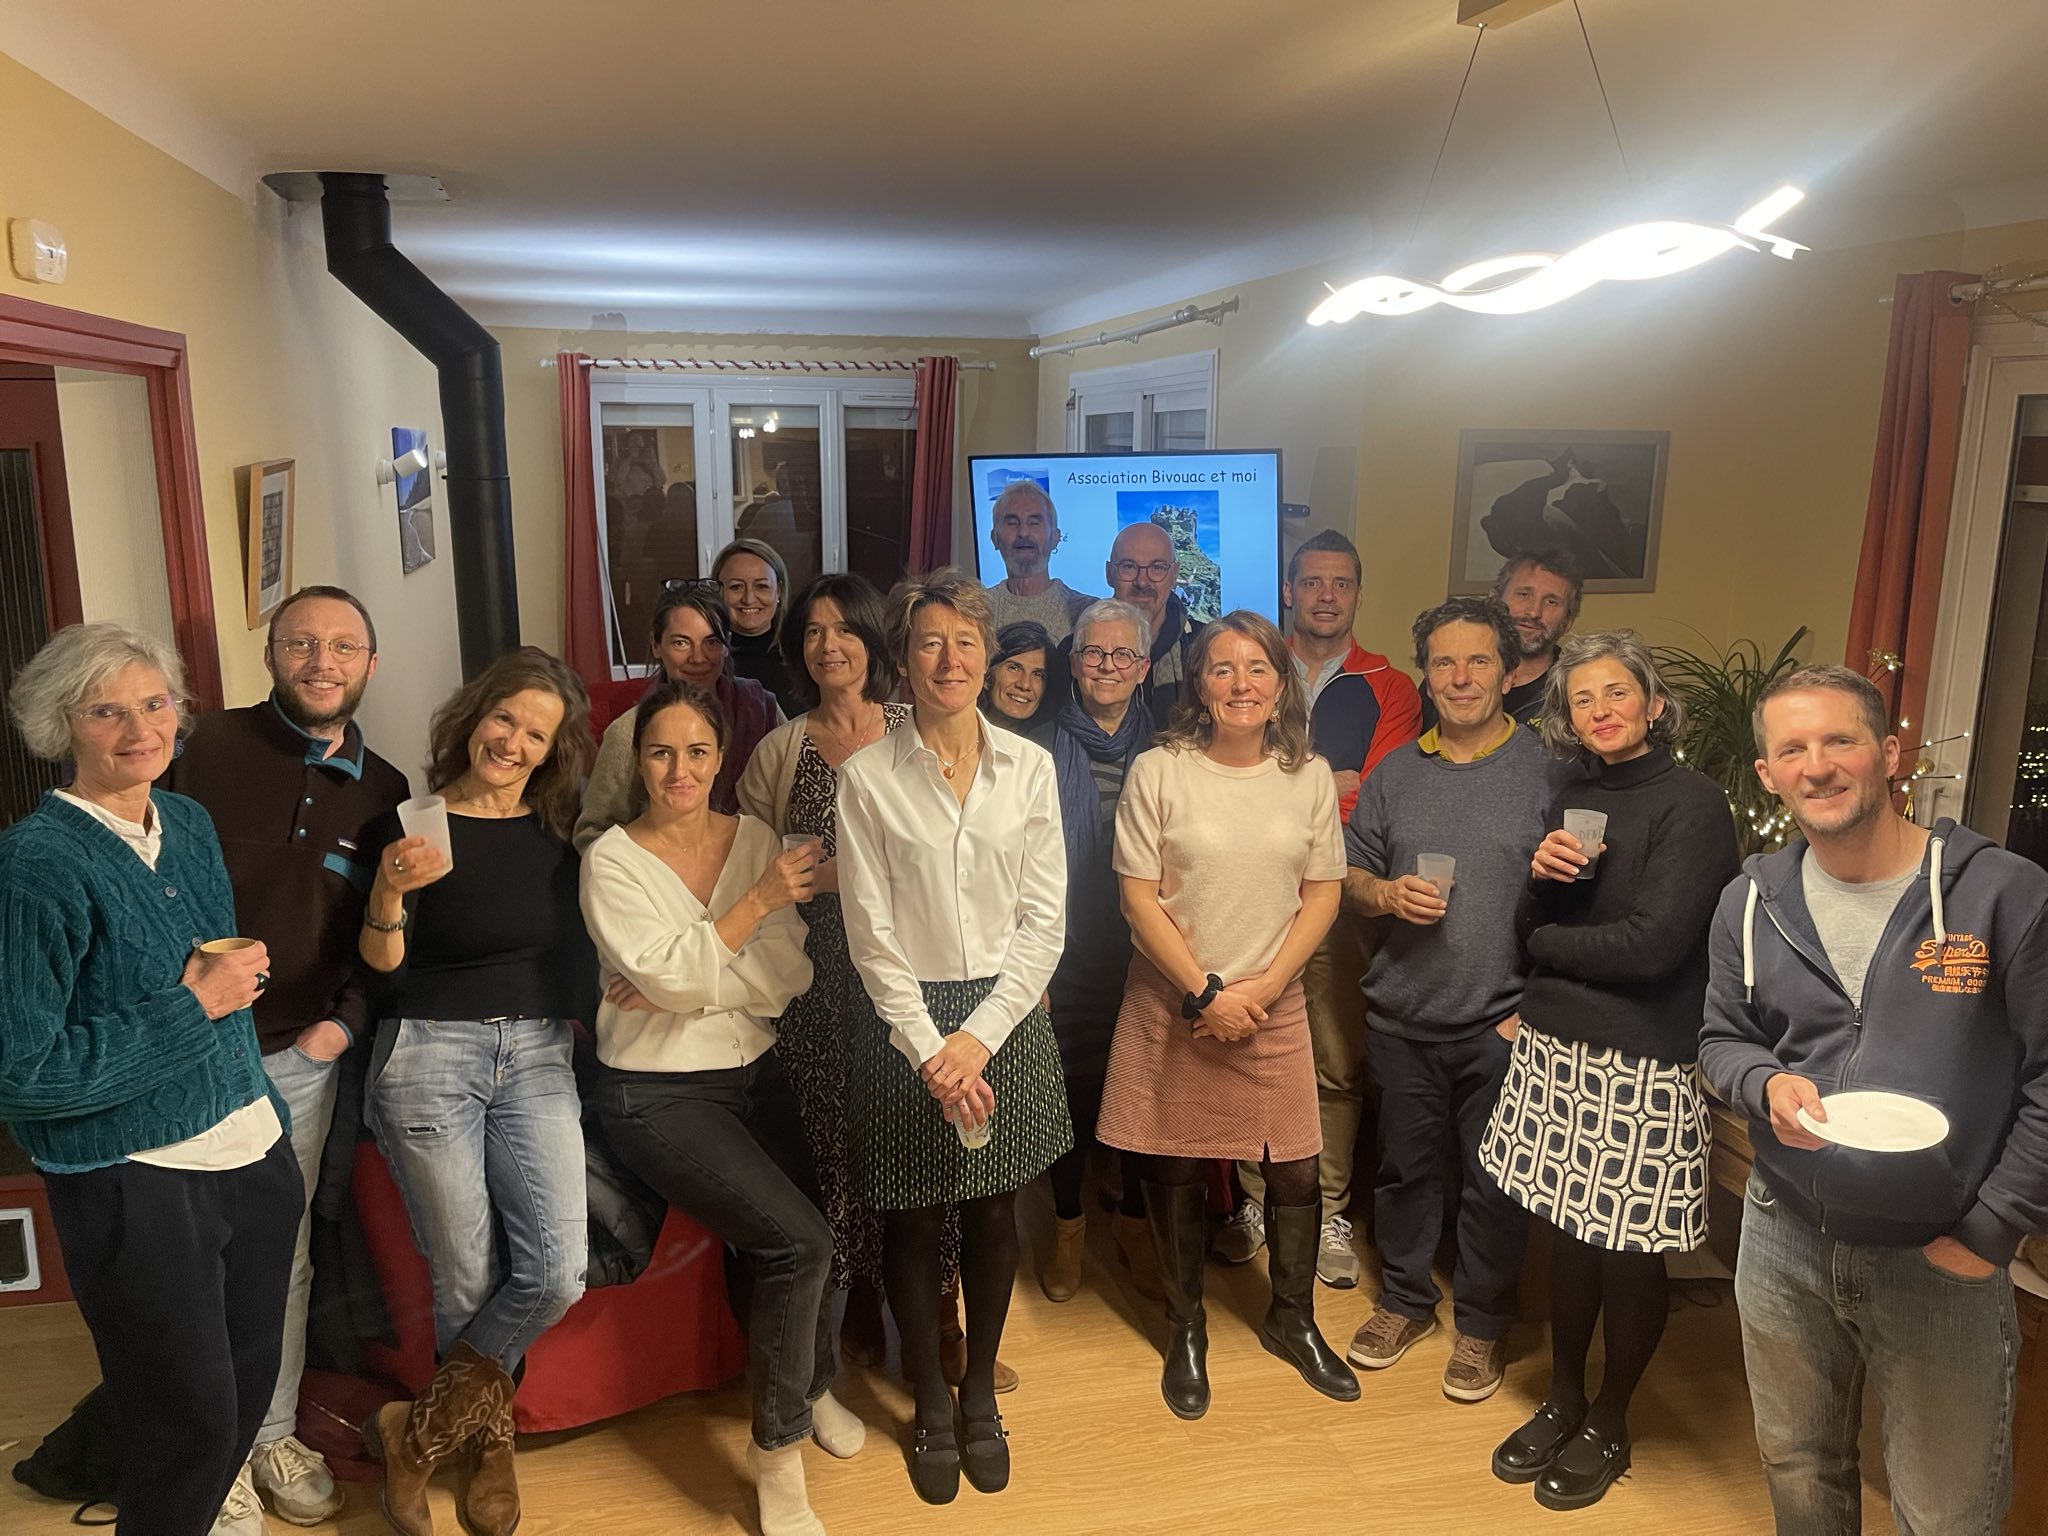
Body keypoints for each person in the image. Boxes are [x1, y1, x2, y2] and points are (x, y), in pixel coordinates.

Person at [1701, 664, 2048, 1535]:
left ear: (1889, 753)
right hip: (1783, 1235)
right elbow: (1721, 1040)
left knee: (1945, 1513)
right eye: (1792, 749)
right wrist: (1763, 1084)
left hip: (1942, 1255)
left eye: (1839, 740)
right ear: (1768, 773)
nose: (1817, 765)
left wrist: (1990, 1231)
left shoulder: (2004, 895)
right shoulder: (1750, 901)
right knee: (1799, 1467)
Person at [0, 623, 297, 1536]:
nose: (140, 729)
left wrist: (236, 1012)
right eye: (106, 711)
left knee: (241, 1400)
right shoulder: (34, 865)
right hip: (137, 1179)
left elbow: (208, 979)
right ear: (60, 725)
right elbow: (25, 1076)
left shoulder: (188, 823)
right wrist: (194, 1004)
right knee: (188, 1426)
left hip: (251, 1150)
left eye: (155, 703)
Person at [581, 679, 867, 1536]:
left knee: (812, 1221)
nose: (680, 769)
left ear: (721, 759)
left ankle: (811, 1385)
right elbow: (682, 970)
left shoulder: (757, 840)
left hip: (756, 1068)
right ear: (637, 761)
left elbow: (789, 972)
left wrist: (687, 980)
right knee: (797, 1241)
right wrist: (754, 909)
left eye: (697, 752)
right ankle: (777, 1454)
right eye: (661, 752)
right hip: (655, 1090)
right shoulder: (612, 861)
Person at [165, 586, 408, 1526]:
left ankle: (268, 1434)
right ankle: (210, 1455)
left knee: (283, 1255)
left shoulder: (386, 792)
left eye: (343, 647)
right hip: (184, 1050)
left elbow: (386, 934)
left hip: (299, 1061)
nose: (321, 663)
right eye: (302, 644)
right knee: (189, 1258)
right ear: (270, 655)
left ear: (370, 664)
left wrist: (343, 1024)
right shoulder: (201, 748)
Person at [1478, 631, 1738, 1510]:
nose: (1601, 710)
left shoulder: (1694, 804)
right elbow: (1527, 926)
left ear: (1655, 704)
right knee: (1567, 1234)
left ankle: (1612, 1416)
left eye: (1617, 692)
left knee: (1627, 1250)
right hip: (1557, 1049)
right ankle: (1562, 1396)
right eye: (1583, 698)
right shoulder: (1577, 795)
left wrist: (1550, 948)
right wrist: (1539, 883)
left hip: (1642, 1057)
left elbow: (1654, 949)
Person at [838, 569, 1072, 1505]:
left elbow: (1044, 922)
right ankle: (930, 1400)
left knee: (993, 1213)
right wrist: (933, 1047)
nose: (950, 659)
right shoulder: (866, 778)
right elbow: (869, 936)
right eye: (930, 642)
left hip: (1004, 1017)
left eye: (966, 642)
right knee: (912, 1217)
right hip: (904, 1022)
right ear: (903, 661)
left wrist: (976, 1039)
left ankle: (980, 1396)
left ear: (987, 655)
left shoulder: (1031, 768)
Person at [357, 647, 598, 1536]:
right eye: (505, 720)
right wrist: (388, 892)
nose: (513, 743)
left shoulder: (561, 830)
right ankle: (490, 1445)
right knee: (465, 1274)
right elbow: (382, 970)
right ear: (475, 717)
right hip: (428, 1050)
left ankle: (417, 1435)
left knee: (557, 1273)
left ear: (553, 750)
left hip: (536, 1052)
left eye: (536, 734)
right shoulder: (413, 824)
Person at [1098, 610, 1357, 1419]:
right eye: (1222, 668)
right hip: (1173, 1001)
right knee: (1174, 1164)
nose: (1241, 684)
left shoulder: (1309, 776)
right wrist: (1206, 994)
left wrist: (1263, 991)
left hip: (1272, 1003)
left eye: (1257, 668)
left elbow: (1324, 894)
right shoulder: (1159, 771)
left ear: (1281, 684)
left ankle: (1292, 1318)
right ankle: (1187, 1326)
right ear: (1198, 684)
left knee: (1296, 1168)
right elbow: (1137, 898)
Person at [1341, 596, 1559, 1404]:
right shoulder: (1397, 772)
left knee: (1493, 1183)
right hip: (1402, 1016)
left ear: (1508, 671)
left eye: (1477, 661)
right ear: (1425, 675)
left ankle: (1482, 1325)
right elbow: (1349, 875)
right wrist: (1385, 894)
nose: (1460, 677)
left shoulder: (1548, 771)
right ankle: (1404, 1302)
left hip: (1503, 1022)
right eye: (1443, 662)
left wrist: (1533, 1010)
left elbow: (1585, 899)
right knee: (1403, 1173)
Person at [1228, 529, 1423, 1282]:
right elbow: (1233, 773)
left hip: (1339, 893)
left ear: (1359, 596)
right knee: (1247, 1050)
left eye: (1341, 584)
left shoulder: (1391, 687)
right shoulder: (1255, 669)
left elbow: (1373, 794)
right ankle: (1255, 1204)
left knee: (1336, 1059)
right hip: (1248, 891)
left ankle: (1330, 1211)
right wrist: (1322, 782)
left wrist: (1297, 786)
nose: (1326, 596)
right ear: (1289, 591)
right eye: (1312, 582)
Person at [1029, 599, 1160, 1303]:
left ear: (1143, 667)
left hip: (1152, 954)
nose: (1106, 666)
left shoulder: (1172, 751)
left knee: (1144, 1095)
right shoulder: (1035, 751)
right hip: (1066, 954)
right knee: (1070, 1100)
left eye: (1121, 655)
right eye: (1092, 653)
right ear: (1074, 663)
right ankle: (1069, 1227)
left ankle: (1135, 1225)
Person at [576, 584, 784, 849]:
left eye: (712, 642)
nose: (697, 658)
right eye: (681, 643)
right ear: (656, 645)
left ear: (726, 646)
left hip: (756, 860)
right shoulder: (628, 731)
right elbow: (592, 833)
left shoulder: (760, 707)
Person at [1418, 549, 1583, 733]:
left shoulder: (1575, 688)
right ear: (1495, 599)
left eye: (1551, 601)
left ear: (1568, 621)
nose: (1534, 612)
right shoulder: (1448, 678)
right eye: (1523, 594)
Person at [1102, 521, 1198, 727]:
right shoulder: (1079, 649)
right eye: (1129, 567)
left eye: (1157, 568)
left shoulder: (1203, 647)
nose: (1142, 582)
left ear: (1174, 574)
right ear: (1109, 573)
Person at [983, 479, 1096, 643]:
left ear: (1055, 538)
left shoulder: (1087, 612)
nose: (1023, 532)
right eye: (1012, 523)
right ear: (995, 538)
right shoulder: (977, 611)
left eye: (1034, 523)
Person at [716, 537, 797, 712]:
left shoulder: (802, 653)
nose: (749, 599)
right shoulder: (707, 659)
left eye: (761, 586)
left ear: (779, 591)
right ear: (718, 591)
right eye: (736, 587)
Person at [980, 620, 1063, 736]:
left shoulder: (1050, 744)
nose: (1024, 685)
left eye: (1038, 674)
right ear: (988, 671)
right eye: (1014, 668)